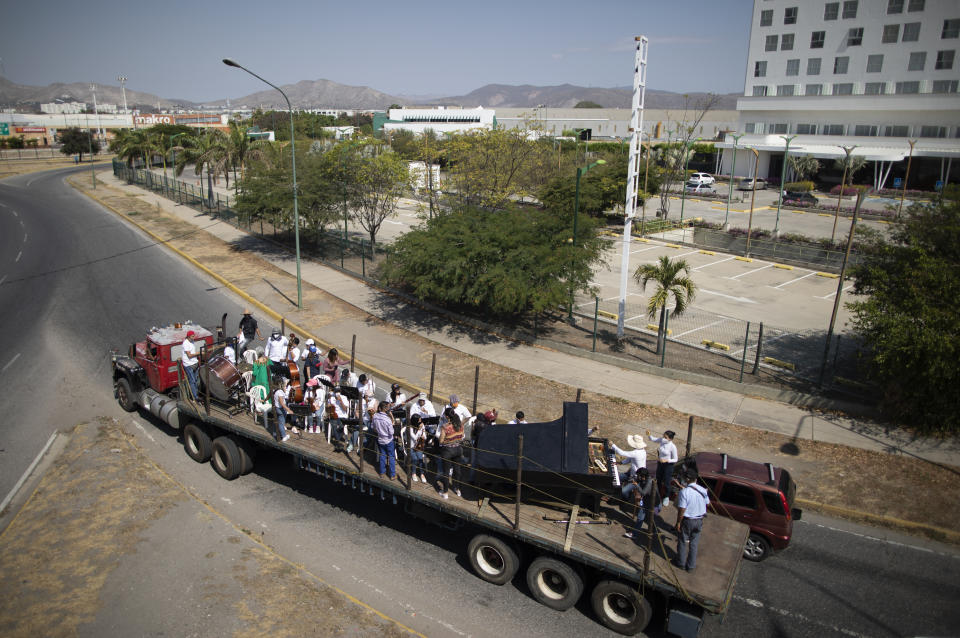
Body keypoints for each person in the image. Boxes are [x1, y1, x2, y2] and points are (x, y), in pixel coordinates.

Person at [674, 472, 710, 572]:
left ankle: (681, 563)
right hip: (699, 520)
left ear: (687, 479)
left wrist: (678, 522)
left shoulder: (684, 492)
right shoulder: (703, 490)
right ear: (696, 480)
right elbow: (708, 503)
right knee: (694, 543)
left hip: (688, 520)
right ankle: (690, 566)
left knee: (682, 541)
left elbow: (682, 509)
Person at [437, 408, 465, 499]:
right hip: (458, 450)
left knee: (446, 472)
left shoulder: (445, 427)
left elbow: (441, 441)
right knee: (457, 471)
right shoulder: (460, 425)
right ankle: (457, 489)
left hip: (448, 451)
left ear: (447, 416)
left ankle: (445, 493)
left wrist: (447, 441)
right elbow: (461, 437)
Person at [648, 429, 678, 508]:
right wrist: (649, 434)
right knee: (658, 479)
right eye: (663, 436)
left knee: (667, 482)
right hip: (660, 463)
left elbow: (675, 459)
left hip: (668, 465)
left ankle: (666, 497)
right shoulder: (661, 441)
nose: (663, 438)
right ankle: (657, 493)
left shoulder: (672, 447)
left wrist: (667, 460)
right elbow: (653, 439)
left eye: (665, 437)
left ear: (670, 439)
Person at [623, 467, 654, 539]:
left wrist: (636, 485)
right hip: (647, 501)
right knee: (644, 518)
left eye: (639, 475)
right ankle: (636, 533)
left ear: (643, 476)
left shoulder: (649, 482)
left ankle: (636, 534)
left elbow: (643, 492)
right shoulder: (643, 479)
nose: (638, 477)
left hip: (652, 503)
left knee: (643, 518)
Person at [372, 400, 397, 480]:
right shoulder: (387, 419)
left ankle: (382, 472)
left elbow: (373, 428)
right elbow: (391, 432)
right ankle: (392, 475)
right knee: (391, 457)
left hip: (380, 439)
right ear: (386, 408)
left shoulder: (375, 416)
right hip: (388, 440)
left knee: (382, 455)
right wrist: (392, 419)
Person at [403, 414, 428, 483]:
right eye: (419, 420)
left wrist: (423, 435)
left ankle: (422, 474)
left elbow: (425, 436)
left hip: (419, 445)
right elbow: (414, 438)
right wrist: (420, 430)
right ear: (415, 421)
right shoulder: (409, 428)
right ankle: (413, 473)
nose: (421, 422)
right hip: (410, 446)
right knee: (415, 459)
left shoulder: (422, 426)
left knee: (420, 458)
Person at [181, 330, 200, 400]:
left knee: (196, 379)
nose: (194, 337)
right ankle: (195, 396)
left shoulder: (192, 341)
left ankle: (196, 393)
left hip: (194, 363)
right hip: (189, 365)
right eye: (192, 336)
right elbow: (189, 355)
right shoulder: (185, 343)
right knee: (192, 381)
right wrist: (199, 353)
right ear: (189, 336)